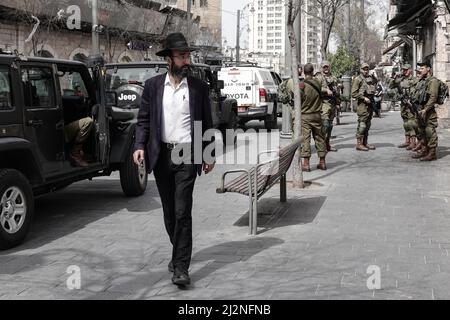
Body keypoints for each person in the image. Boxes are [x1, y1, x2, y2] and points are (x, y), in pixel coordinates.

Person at [133, 32, 215, 286]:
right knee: (169, 212)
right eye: (181, 56)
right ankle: (177, 251)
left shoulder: (199, 88)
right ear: (169, 59)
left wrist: (208, 152)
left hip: (188, 153)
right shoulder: (153, 86)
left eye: (187, 55)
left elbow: (206, 121)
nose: (186, 60)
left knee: (182, 211)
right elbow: (144, 120)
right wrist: (139, 146)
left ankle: (181, 267)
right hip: (161, 154)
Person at [286, 63, 327, 172]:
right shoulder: (318, 83)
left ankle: (306, 164)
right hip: (317, 115)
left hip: (305, 116)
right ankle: (322, 162)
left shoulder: (302, 85)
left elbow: (298, 97)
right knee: (320, 138)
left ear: (304, 72)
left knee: (306, 140)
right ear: (313, 71)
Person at [410, 60, 440, 161]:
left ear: (428, 69)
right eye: (420, 68)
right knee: (421, 129)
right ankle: (424, 149)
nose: (420, 70)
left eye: (422, 68)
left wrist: (426, 109)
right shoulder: (422, 81)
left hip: (429, 111)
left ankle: (432, 153)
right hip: (420, 110)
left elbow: (433, 97)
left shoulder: (433, 81)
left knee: (429, 130)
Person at [389, 64, 419, 149]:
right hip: (403, 104)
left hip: (410, 104)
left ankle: (413, 142)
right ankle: (407, 141)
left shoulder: (414, 80)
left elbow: (417, 91)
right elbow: (391, 86)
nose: (404, 71)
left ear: (410, 70)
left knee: (411, 122)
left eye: (406, 70)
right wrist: (394, 78)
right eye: (403, 70)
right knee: (405, 122)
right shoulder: (400, 79)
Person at [315, 61, 340, 152]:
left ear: (330, 67)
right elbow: (315, 87)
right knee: (324, 125)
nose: (326, 69)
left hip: (332, 103)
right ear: (321, 67)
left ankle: (327, 144)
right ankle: (321, 146)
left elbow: (336, 91)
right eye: (324, 67)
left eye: (327, 67)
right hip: (323, 103)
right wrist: (325, 90)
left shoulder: (333, 77)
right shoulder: (319, 77)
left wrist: (338, 102)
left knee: (330, 126)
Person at [351, 63, 377, 151]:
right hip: (362, 105)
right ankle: (359, 143)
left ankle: (365, 142)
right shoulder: (358, 79)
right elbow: (353, 93)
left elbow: (374, 86)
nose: (365, 71)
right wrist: (363, 98)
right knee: (362, 124)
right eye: (364, 69)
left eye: (367, 69)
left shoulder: (370, 78)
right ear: (361, 69)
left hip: (370, 104)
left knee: (368, 124)